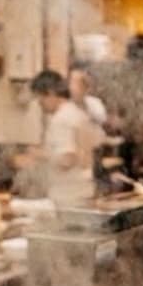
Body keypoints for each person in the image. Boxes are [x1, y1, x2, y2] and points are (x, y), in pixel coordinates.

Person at [28, 69, 100, 204]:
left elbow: (67, 159)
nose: (39, 103)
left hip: (67, 197)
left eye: (40, 98)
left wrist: (39, 155)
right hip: (83, 192)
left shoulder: (61, 119)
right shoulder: (75, 112)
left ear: (50, 93)